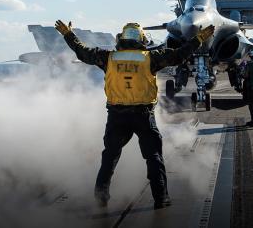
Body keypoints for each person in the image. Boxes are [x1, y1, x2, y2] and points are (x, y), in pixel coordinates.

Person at [54, 20, 214, 209]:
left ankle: (101, 195)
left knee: (110, 156)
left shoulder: (108, 57)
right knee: (153, 157)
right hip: (143, 115)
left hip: (116, 116)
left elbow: (82, 52)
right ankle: (160, 198)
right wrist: (199, 39)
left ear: (121, 38)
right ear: (142, 39)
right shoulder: (151, 58)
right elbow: (179, 55)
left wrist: (68, 34)